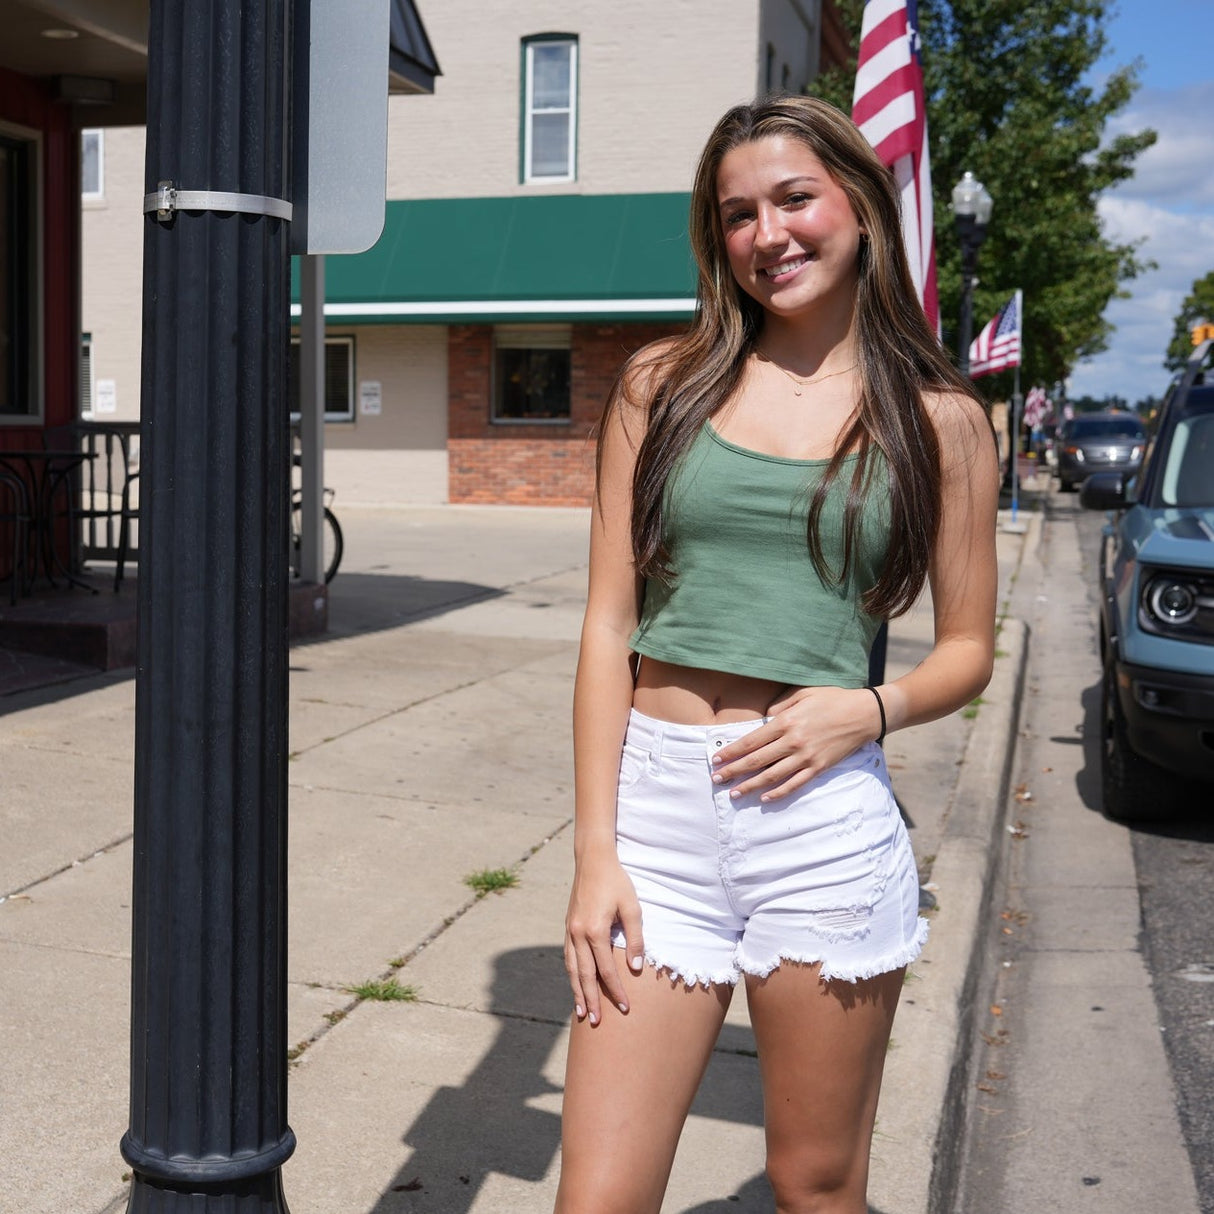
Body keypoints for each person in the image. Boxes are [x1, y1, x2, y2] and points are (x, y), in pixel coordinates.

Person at [556, 95, 999, 1214]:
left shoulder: (937, 418)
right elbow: (608, 624)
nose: (769, 234)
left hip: (818, 826)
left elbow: (964, 651)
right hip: (653, 818)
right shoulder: (662, 383)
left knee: (814, 1184)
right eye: (737, 213)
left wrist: (870, 708)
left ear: (857, 206)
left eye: (792, 198)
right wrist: (593, 853)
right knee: (596, 1197)